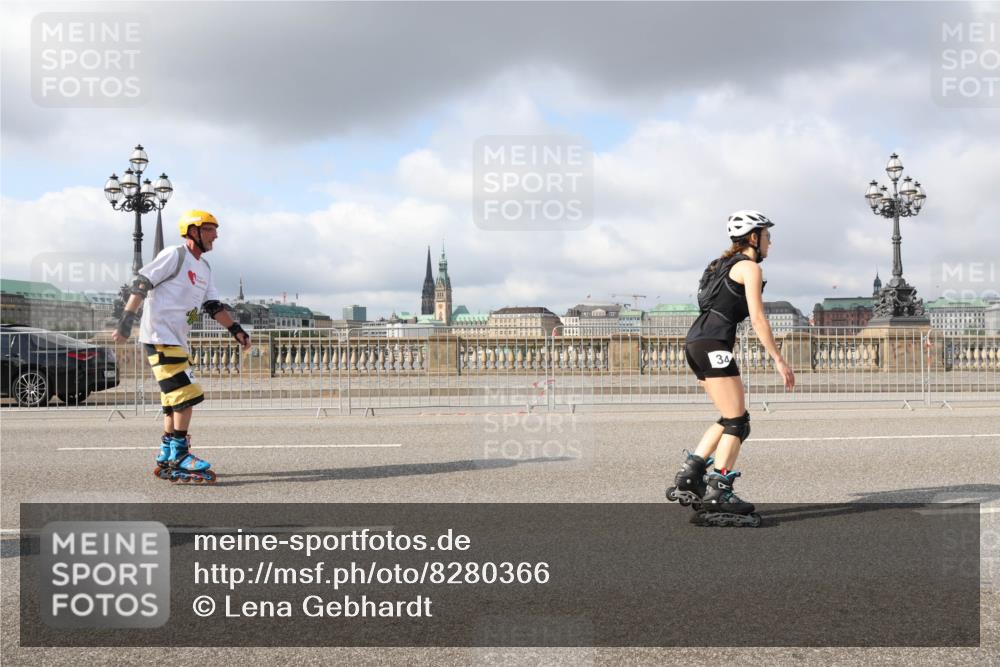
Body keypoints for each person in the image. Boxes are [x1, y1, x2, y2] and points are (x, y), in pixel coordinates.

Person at [666, 210, 795, 527]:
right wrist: (778, 358)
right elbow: (758, 318)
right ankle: (719, 490)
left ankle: (691, 473)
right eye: (767, 236)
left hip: (695, 343)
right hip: (714, 345)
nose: (770, 242)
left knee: (728, 417)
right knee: (739, 422)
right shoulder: (748, 267)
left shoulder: (717, 265)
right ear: (754, 237)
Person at [112, 210, 251, 483]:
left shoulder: (205, 268)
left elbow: (211, 306)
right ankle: (180, 455)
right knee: (187, 395)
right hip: (160, 337)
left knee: (172, 400)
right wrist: (127, 320)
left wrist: (236, 329)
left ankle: (167, 453)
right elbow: (142, 283)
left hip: (177, 340)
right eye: (211, 229)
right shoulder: (174, 256)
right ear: (194, 231)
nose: (216, 235)